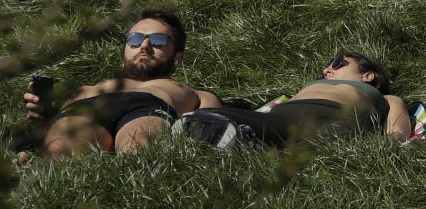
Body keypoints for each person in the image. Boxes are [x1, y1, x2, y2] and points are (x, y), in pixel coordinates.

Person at [19, 6, 222, 160]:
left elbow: (213, 129)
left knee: (141, 149)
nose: (144, 46)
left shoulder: (195, 94)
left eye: (158, 40)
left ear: (177, 58)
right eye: (135, 39)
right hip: (89, 106)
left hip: (152, 107)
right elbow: (48, 127)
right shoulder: (85, 90)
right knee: (61, 149)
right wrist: (42, 117)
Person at [175, 51, 411, 147]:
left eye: (339, 63)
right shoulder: (308, 88)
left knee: (310, 148)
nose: (327, 70)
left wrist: (392, 143)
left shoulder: (386, 98)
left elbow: (398, 132)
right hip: (284, 114)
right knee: (204, 117)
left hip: (340, 116)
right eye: (325, 70)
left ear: (368, 75)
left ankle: (254, 147)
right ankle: (243, 139)